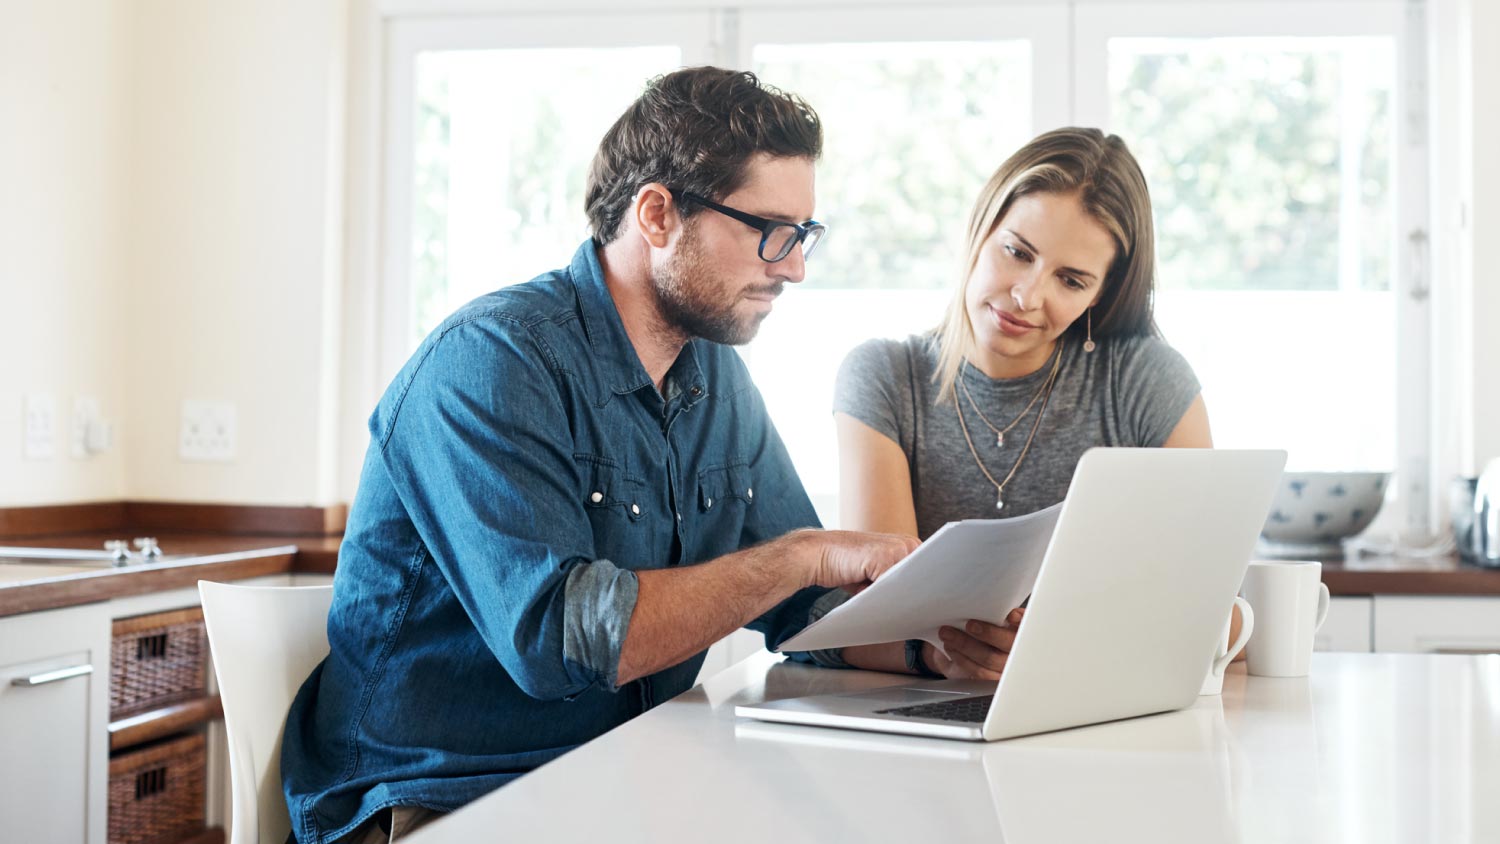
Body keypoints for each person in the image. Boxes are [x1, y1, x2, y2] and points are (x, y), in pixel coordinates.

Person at [280, 67, 1011, 844]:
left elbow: (804, 606)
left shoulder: (715, 375)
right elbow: (561, 644)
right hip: (437, 803)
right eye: (769, 230)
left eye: (804, 235)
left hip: (618, 779)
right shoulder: (490, 362)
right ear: (657, 213)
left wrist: (936, 652)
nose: (794, 266)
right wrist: (803, 555)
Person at [833, 127, 1220, 680]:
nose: (1027, 296)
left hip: (1098, 706)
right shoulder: (884, 377)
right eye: (1017, 252)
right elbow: (880, 612)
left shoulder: (1146, 380)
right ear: (980, 227)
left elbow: (1214, 607)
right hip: (933, 719)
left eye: (1071, 280)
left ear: (1100, 295)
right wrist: (947, 658)